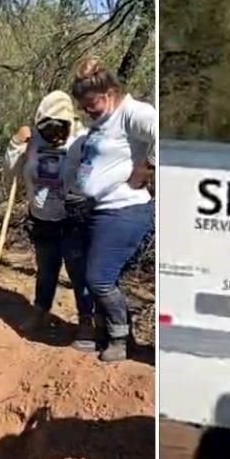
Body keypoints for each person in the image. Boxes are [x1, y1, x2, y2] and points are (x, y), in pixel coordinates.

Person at [70, 56, 155, 362]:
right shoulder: (102, 120)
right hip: (100, 209)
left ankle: (120, 337)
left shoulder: (132, 113)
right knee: (97, 276)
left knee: (100, 278)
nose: (86, 110)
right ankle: (108, 331)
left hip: (126, 210)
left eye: (90, 103)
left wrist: (147, 167)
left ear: (108, 95)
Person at [3, 90, 96, 351]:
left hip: (73, 219)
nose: (55, 136)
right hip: (42, 218)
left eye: (60, 130)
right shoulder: (31, 140)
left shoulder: (82, 139)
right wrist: (15, 144)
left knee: (79, 273)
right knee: (46, 270)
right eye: (49, 131)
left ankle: (86, 322)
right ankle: (40, 312)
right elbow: (10, 173)